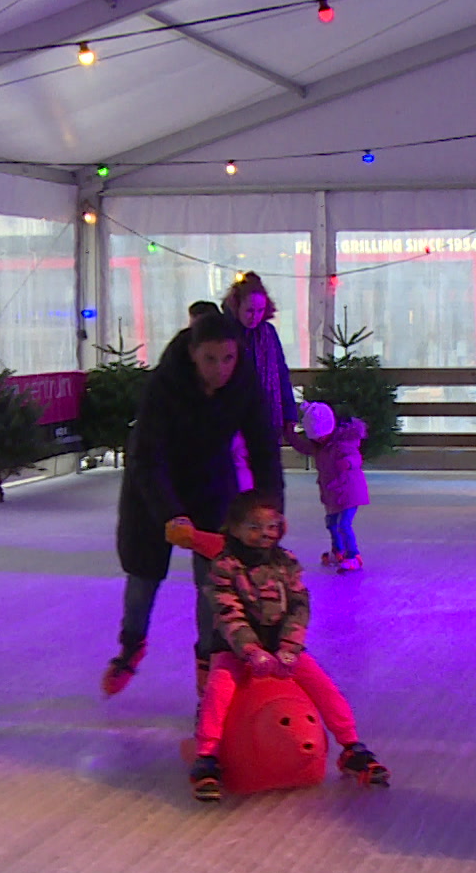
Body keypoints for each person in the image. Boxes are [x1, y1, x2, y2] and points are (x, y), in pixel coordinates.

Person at [103, 313, 283, 698]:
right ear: (192, 353)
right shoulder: (164, 385)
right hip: (152, 490)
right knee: (143, 576)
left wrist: (272, 508)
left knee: (214, 583)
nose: (221, 369)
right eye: (210, 359)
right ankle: (132, 645)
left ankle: (209, 664)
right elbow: (146, 458)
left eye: (228, 358)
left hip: (211, 486)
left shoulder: (244, 382)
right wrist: (171, 515)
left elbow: (264, 447)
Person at [187, 492, 388, 802]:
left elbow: (298, 605)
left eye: (272, 526)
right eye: (254, 527)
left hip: (281, 647)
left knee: (323, 686)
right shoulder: (224, 567)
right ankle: (207, 756)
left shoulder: (286, 562)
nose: (265, 533)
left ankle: (352, 747)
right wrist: (250, 650)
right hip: (233, 648)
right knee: (219, 690)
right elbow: (228, 613)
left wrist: (290, 646)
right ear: (235, 528)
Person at [224, 272, 298, 494]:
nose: (254, 316)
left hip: (269, 416)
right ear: (236, 306)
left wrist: (289, 415)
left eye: (260, 311)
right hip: (235, 419)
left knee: (268, 477)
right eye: (249, 310)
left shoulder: (268, 333)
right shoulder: (227, 334)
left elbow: (281, 373)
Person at [291, 400, 370, 573]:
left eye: (322, 435)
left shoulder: (343, 443)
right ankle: (338, 551)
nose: (319, 439)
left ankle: (353, 555)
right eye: (315, 437)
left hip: (349, 492)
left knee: (344, 524)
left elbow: (356, 457)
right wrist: (290, 435)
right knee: (331, 523)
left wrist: (347, 463)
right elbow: (303, 447)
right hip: (333, 492)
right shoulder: (319, 446)